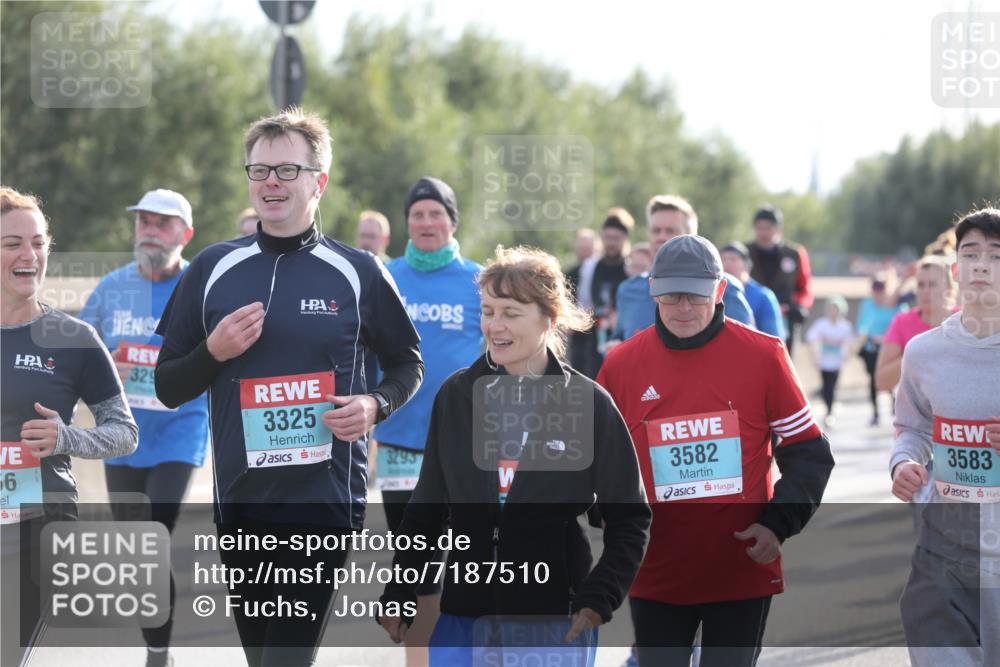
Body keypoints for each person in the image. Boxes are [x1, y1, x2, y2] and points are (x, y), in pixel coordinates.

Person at [153, 107, 423, 666]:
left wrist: (376, 404)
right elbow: (167, 386)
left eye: (286, 170)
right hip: (241, 499)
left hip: (323, 501)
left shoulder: (358, 272)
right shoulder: (211, 268)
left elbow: (407, 362)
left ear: (318, 181)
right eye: (259, 170)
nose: (271, 182)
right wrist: (214, 352)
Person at [378, 245, 651, 667]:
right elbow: (426, 510)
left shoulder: (588, 403)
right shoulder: (457, 395)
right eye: (487, 311)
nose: (495, 325)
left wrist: (599, 597)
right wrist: (400, 589)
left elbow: (631, 519)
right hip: (464, 614)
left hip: (554, 617)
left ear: (549, 317)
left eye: (510, 312)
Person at [598, 234, 834, 667]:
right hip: (656, 573)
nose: (684, 307)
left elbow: (809, 453)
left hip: (741, 569)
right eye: (671, 295)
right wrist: (610, 518)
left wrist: (777, 524)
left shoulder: (764, 356)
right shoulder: (621, 365)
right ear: (651, 289)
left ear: (721, 290)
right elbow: (598, 464)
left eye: (697, 295)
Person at [1, 186, 138, 667]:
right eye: (12, 243)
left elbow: (124, 431)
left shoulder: (75, 339)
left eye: (37, 242)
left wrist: (67, 436)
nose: (28, 254)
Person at [77, 188, 209, 667]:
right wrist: (103, 368)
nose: (150, 231)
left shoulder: (202, 284)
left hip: (181, 428)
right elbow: (76, 356)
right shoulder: (111, 288)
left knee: (151, 535)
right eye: (143, 222)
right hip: (122, 435)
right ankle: (159, 648)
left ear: (185, 233)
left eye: (162, 223)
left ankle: (157, 657)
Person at [373, 176, 483, 667]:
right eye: (417, 214)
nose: (426, 222)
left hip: (460, 444)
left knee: (458, 559)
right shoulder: (384, 276)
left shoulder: (478, 281)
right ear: (407, 224)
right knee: (415, 558)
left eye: (435, 213)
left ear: (452, 221)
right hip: (398, 440)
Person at [889, 207, 1000, 667]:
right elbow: (911, 428)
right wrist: (903, 463)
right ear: (956, 269)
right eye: (970, 253)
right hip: (944, 543)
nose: (980, 264)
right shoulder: (923, 352)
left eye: (995, 255)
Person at [611, 195, 754, 349]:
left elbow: (747, 347)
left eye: (670, 230)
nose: (661, 237)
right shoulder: (628, 290)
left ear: (692, 236)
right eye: (656, 231)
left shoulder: (725, 288)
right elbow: (619, 336)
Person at [875, 256, 956, 392]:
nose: (925, 291)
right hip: (916, 411)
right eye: (920, 285)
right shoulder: (902, 322)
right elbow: (882, 382)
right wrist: (914, 354)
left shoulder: (965, 321)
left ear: (949, 290)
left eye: (932, 284)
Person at [569, 209, 633, 379]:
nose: (611, 243)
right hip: (595, 340)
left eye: (616, 238)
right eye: (608, 238)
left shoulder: (631, 268)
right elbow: (583, 303)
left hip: (626, 338)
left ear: (625, 239)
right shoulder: (590, 267)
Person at [747, 205, 813, 353]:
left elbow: (805, 288)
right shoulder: (745, 253)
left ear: (778, 229)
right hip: (752, 317)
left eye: (768, 227)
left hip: (785, 318)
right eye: (760, 227)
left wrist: (801, 307)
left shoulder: (795, 254)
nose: (764, 232)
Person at [856, 271, 904, 425]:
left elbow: (900, 323)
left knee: (890, 376)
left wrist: (887, 338)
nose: (877, 294)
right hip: (872, 347)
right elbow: (862, 325)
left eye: (880, 290)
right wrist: (870, 335)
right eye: (875, 291)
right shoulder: (867, 304)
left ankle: (893, 401)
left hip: (891, 347)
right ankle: (875, 412)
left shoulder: (896, 304)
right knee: (873, 379)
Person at [805, 295, 853, 427]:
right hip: (823, 361)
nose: (833, 311)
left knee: (832, 386)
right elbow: (811, 339)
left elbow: (849, 343)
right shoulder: (821, 324)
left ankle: (830, 411)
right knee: (826, 386)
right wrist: (814, 356)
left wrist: (847, 356)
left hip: (837, 362)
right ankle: (828, 410)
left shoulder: (845, 326)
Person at [721, 241, 785, 339]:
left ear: (747, 265)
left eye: (733, 259)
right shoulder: (714, 294)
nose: (727, 263)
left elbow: (774, 337)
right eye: (723, 259)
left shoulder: (764, 296)